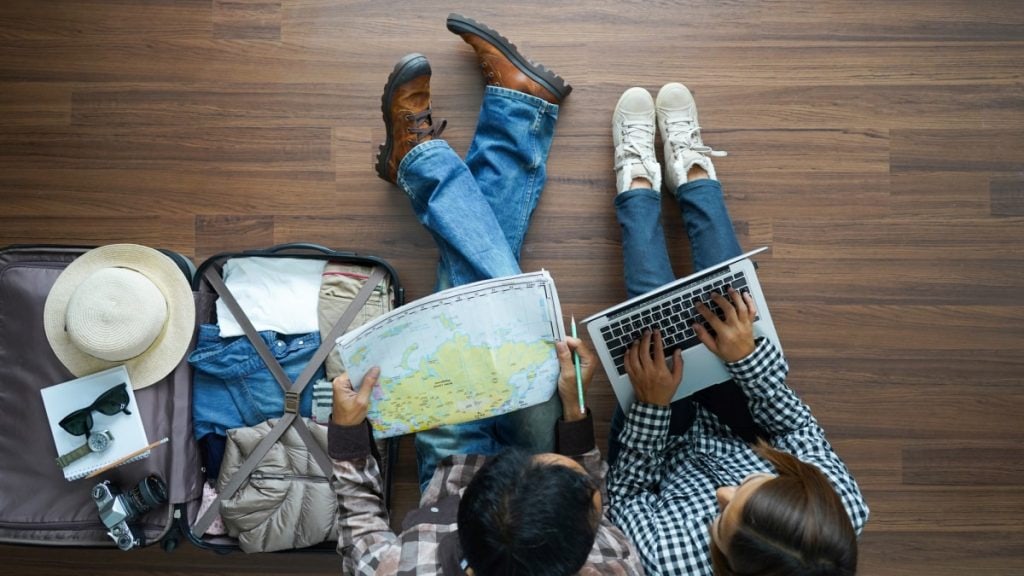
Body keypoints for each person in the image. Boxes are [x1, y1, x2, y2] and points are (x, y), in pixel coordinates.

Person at [326, 14, 643, 575]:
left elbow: (359, 527)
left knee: (469, 300)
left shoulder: (409, 566)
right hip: (534, 431)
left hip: (450, 459)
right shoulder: (615, 565)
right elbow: (592, 493)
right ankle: (442, 152)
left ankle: (488, 129)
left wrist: (349, 435)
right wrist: (573, 414)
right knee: (497, 304)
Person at [604, 83, 869, 575]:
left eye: (723, 517)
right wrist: (746, 357)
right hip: (744, 422)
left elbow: (628, 491)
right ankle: (693, 173)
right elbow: (793, 427)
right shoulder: (837, 514)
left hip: (662, 442)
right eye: (756, 487)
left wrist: (652, 407)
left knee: (650, 316)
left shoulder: (666, 565)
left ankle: (637, 185)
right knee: (732, 301)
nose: (724, 492)